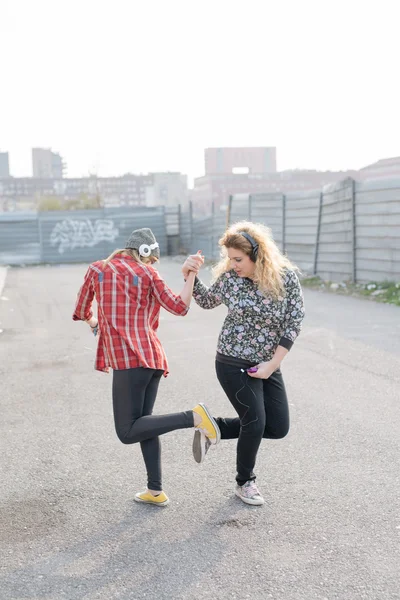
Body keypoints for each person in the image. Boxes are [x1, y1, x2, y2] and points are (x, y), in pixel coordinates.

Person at [73, 227, 220, 507]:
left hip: (129, 361)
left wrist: (94, 323)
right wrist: (190, 276)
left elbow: (82, 310)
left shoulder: (98, 269)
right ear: (144, 252)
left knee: (127, 432)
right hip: (152, 358)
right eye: (152, 259)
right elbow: (180, 307)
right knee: (144, 425)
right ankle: (155, 491)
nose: (152, 264)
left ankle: (194, 417)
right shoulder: (149, 274)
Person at [182, 221, 305, 506]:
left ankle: (213, 427)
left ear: (257, 255)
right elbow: (207, 301)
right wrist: (191, 274)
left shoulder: (285, 278)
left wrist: (273, 365)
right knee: (255, 421)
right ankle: (245, 482)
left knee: (277, 427)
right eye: (229, 259)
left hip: (266, 363)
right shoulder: (230, 279)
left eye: (238, 259)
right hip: (231, 360)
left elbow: (294, 322)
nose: (233, 265)